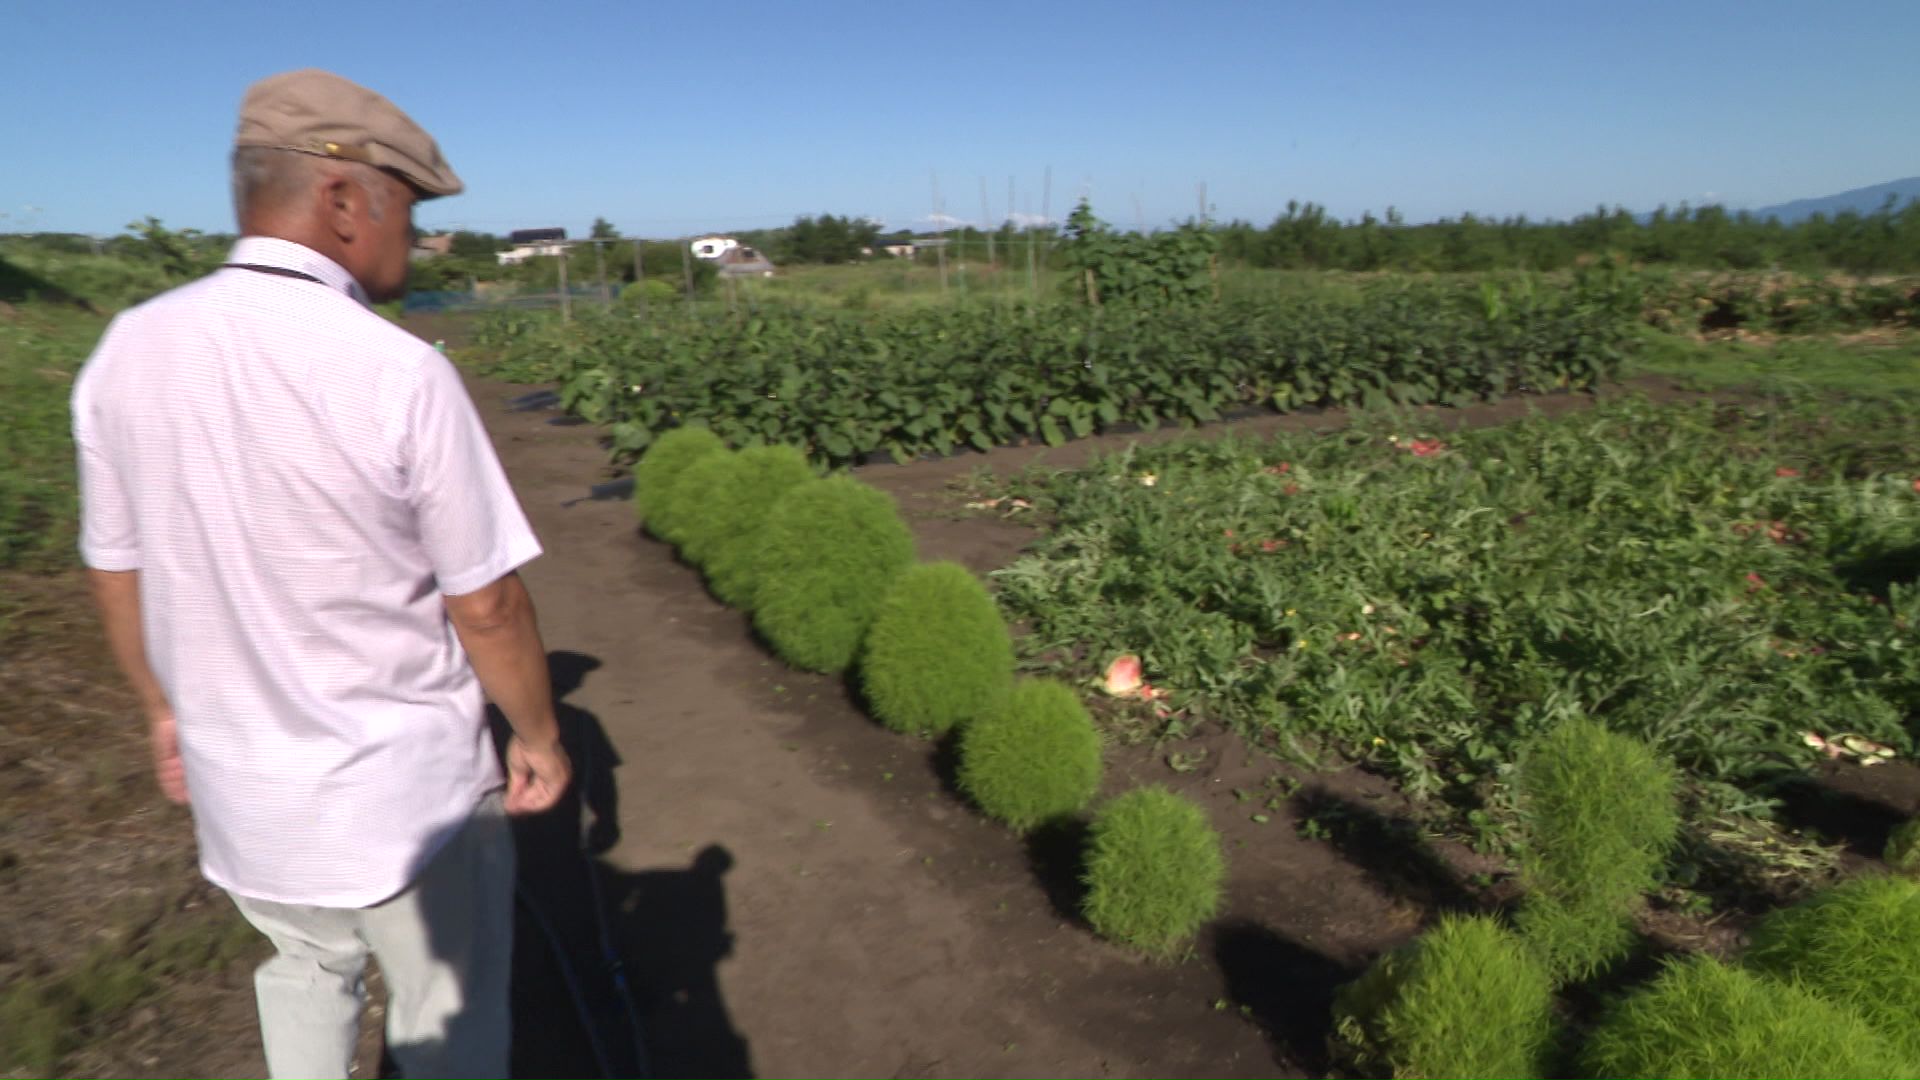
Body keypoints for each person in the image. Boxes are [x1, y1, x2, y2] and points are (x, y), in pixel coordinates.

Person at [72, 69, 570, 1080]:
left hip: (244, 791)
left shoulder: (128, 350)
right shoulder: (395, 370)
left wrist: (161, 708)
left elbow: (117, 570)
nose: (418, 240)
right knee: (446, 1010)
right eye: (410, 210)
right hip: (405, 797)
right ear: (344, 200)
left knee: (302, 971)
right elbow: (485, 601)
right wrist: (541, 737)